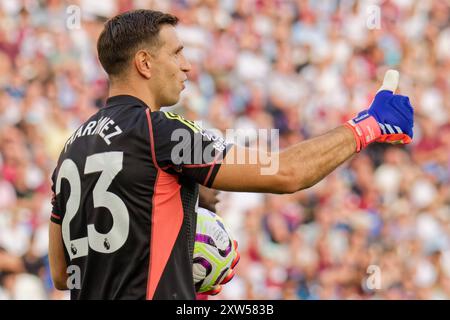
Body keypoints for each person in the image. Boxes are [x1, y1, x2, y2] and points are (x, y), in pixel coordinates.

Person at [48, 9, 414, 300]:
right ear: (144, 63)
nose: (186, 65)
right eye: (177, 53)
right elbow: (286, 172)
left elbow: (63, 274)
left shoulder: (71, 148)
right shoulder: (159, 130)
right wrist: (368, 126)